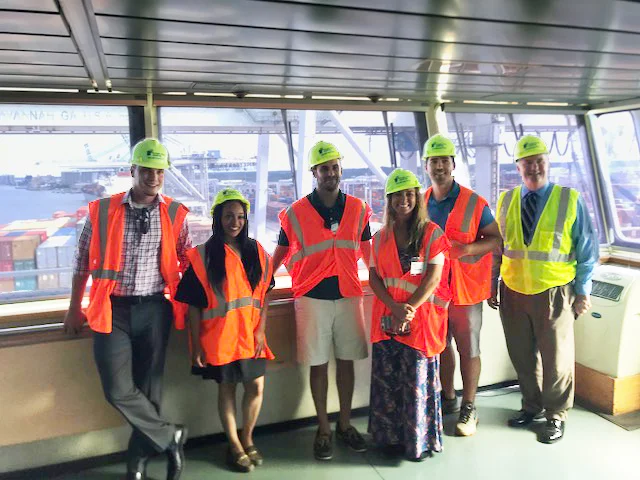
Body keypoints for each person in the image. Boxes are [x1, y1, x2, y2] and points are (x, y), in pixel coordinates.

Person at [63, 138, 191, 480]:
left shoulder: (176, 214)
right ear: (132, 170)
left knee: (150, 391)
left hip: (154, 309)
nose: (153, 176)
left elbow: (186, 260)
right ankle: (170, 436)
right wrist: (74, 307)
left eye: (159, 170)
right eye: (146, 169)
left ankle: (138, 465)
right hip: (112, 310)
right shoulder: (102, 211)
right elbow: (80, 264)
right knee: (117, 389)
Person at [490, 135, 599, 444]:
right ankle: (531, 406)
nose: (534, 168)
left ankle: (556, 415)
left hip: (554, 291)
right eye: (527, 162)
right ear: (518, 166)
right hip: (513, 290)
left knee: (557, 359)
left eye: (539, 161)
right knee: (522, 356)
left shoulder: (569, 199)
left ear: (548, 163)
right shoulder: (507, 199)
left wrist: (583, 291)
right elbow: (500, 248)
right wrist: (493, 282)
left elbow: (587, 249)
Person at [271, 140, 372, 460]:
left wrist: (393, 287)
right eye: (324, 168)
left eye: (335, 167)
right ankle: (324, 429)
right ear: (314, 172)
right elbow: (280, 252)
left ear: (341, 169)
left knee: (347, 361)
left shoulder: (358, 209)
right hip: (311, 297)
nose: (330, 173)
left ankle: (345, 424)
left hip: (348, 295)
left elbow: (372, 258)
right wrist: (260, 281)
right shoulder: (295, 213)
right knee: (317, 365)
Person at [175, 189, 274, 473]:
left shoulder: (256, 250)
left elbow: (266, 292)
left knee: (256, 386)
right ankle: (234, 444)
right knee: (227, 390)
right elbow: (193, 305)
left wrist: (260, 331)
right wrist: (195, 346)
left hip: (251, 335)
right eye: (229, 216)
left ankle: (247, 438)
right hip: (220, 338)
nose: (235, 222)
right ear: (218, 218)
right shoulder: (204, 256)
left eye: (241, 216)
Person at [368, 169, 451, 461]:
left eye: (409, 194)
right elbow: (374, 277)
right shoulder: (380, 237)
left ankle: (417, 443)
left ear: (416, 197)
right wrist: (394, 307)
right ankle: (388, 439)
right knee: (387, 382)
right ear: (389, 200)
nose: (403, 200)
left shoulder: (432, 234)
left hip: (419, 323)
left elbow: (433, 277)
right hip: (388, 321)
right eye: (397, 195)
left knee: (417, 383)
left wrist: (409, 308)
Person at [422, 134, 502, 436]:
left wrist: (467, 249)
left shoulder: (475, 203)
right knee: (441, 347)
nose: (439, 166)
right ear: (427, 167)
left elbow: (496, 240)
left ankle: (470, 407)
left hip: (466, 292)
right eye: (434, 161)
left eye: (444, 160)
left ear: (453, 165)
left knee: (469, 349)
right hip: (434, 292)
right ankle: (448, 397)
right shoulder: (421, 202)